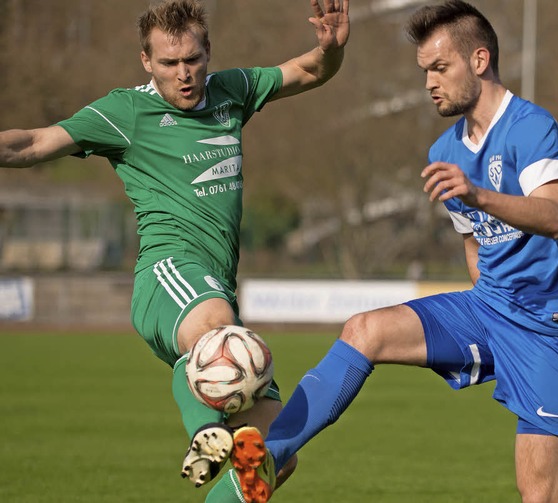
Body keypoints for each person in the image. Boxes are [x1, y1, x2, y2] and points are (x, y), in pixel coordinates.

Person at [236, 1, 558, 502]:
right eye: (424, 71)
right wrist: (484, 288)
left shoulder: (531, 128)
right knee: (364, 330)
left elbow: (554, 216)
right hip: (490, 309)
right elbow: (473, 242)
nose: (429, 82)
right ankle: (270, 456)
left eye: (439, 68)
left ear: (479, 61)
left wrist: (477, 194)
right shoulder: (444, 153)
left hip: (553, 329)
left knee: (539, 495)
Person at [0, 0, 350, 502]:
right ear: (146, 61)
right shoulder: (126, 111)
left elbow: (310, 70)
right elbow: (33, 143)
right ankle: (203, 436)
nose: (183, 74)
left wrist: (330, 47)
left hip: (214, 288)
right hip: (168, 275)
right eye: (169, 63)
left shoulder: (232, 91)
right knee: (214, 324)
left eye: (192, 59)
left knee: (275, 455)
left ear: (208, 52)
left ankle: (221, 464)